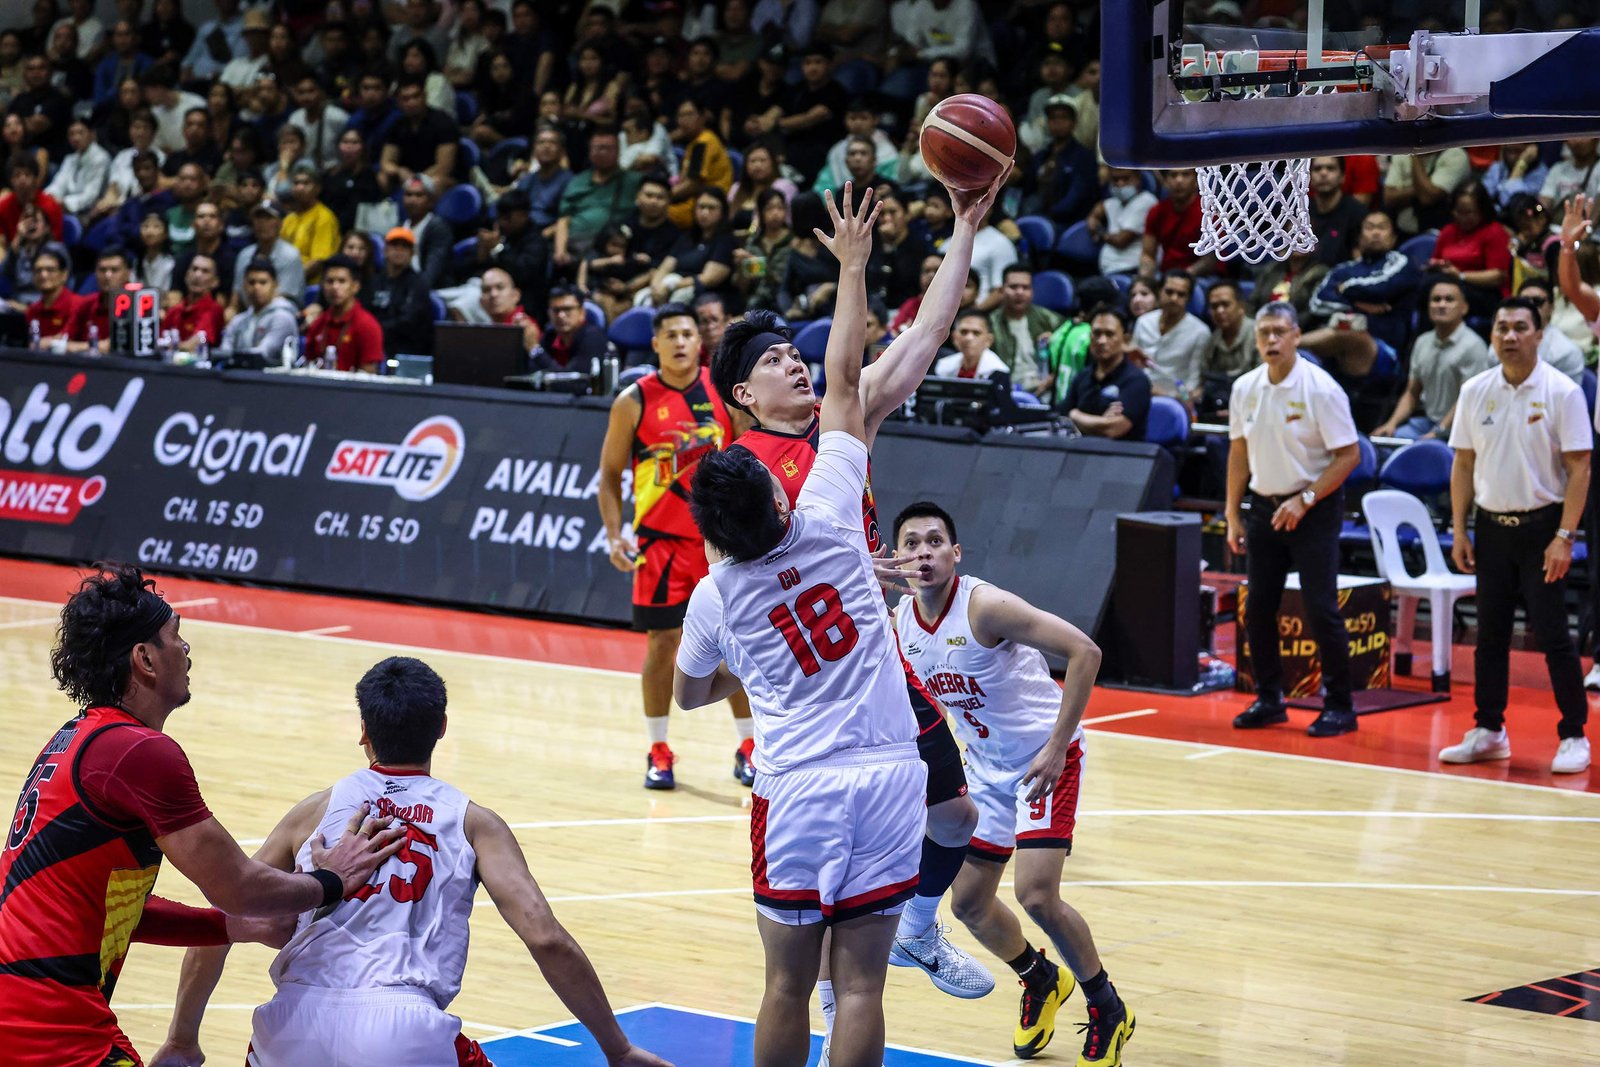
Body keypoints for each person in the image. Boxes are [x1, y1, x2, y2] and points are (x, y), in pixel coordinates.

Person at [711, 178, 1006, 1033]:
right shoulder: (742, 484)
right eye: (771, 361)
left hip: (875, 674)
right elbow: (743, 599)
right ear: (742, 399)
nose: (793, 363)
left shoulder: (844, 426)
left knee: (954, 813)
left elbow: (926, 334)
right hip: (807, 705)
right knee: (815, 926)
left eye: (793, 353)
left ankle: (912, 929)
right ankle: (844, 971)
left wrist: (962, 229)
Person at [675, 184, 925, 1067]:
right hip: (893, 771)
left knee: (786, 985)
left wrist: (742, 668)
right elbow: (850, 379)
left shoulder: (716, 594)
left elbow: (694, 690)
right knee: (861, 986)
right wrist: (853, 266)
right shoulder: (828, 520)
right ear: (781, 491)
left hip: (799, 785)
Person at [148, 657, 674, 1067]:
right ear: (442, 727)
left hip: (290, 1026)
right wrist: (617, 1048)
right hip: (405, 1029)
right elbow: (546, 939)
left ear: (363, 731)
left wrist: (182, 1038)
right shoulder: (474, 822)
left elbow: (220, 921)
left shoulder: (314, 811)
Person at [0, 565, 405, 1067]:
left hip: (25, 1007)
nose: (187, 652)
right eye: (177, 639)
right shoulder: (139, 752)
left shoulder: (80, 738)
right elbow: (237, 884)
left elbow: (111, 912)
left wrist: (239, 928)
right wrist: (331, 879)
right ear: (145, 658)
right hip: (47, 1018)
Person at [892, 501, 1134, 1065]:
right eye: (911, 543)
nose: (923, 552)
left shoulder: (985, 606)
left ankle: (1107, 1007)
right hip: (986, 768)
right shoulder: (901, 622)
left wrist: (1055, 745)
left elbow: (1085, 651)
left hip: (1045, 762)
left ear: (956, 553)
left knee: (1036, 896)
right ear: (896, 557)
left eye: (934, 542)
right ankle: (1042, 978)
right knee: (970, 905)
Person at [598, 302, 754, 789]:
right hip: (660, 544)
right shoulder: (633, 401)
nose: (682, 342)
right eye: (672, 335)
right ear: (656, 343)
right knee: (662, 645)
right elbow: (608, 476)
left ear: (698, 340)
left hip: (719, 544)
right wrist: (613, 532)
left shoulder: (723, 391)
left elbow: (752, 457)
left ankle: (750, 744)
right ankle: (659, 748)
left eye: (688, 333)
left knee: (736, 645)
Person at [1444, 296, 1591, 774]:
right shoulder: (1474, 390)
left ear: (1539, 335)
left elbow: (1580, 467)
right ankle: (1489, 730)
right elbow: (1463, 463)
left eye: (1520, 328)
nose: (1509, 336)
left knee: (1552, 638)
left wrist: (1565, 535)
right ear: (1492, 336)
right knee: (1490, 637)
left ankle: (1573, 734)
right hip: (1490, 529)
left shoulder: (1563, 391)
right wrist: (1460, 528)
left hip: (1542, 529)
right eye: (1501, 327)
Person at [1226, 302, 1361, 738]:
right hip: (1265, 505)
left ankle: (1340, 705)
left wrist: (1304, 499)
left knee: (1321, 607)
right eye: (1264, 332)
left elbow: (1349, 455)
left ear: (1297, 336)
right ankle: (1269, 698)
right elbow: (1239, 453)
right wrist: (1232, 511)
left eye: (1279, 332)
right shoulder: (1245, 387)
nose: (1271, 340)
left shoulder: (1321, 389)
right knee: (1258, 607)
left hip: (1314, 506)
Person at [1372, 277, 1492, 441]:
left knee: (1426, 452)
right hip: (1426, 422)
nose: (1441, 305)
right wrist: (1391, 424)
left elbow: (1468, 400)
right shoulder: (1422, 342)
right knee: (1389, 443)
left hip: (1461, 426)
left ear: (1464, 308)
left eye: (1449, 300)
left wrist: (1439, 431)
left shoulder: (1474, 347)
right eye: (1436, 299)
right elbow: (1412, 392)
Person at [1065, 306, 1150, 441]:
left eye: (1109, 334)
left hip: (1122, 457)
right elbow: (1062, 421)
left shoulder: (1137, 380)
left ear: (1126, 340)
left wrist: (1076, 416)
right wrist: (1101, 422)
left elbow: (1113, 429)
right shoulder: (1082, 377)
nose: (1101, 341)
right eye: (1097, 333)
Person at [1131, 270, 1209, 397]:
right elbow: (1132, 364)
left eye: (1181, 294)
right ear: (1160, 292)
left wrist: (1178, 397)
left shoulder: (1200, 332)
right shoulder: (1143, 322)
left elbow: (1194, 381)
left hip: (1173, 397)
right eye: (1169, 292)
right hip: (1137, 390)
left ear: (1188, 298)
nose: (1174, 298)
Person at [304, 254, 385, 372]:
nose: (335, 287)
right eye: (330, 281)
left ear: (355, 286)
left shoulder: (368, 326)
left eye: (342, 281)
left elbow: (369, 377)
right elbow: (308, 366)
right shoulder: (318, 324)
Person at [988, 265, 1061, 392]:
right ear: (1001, 290)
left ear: (1032, 291)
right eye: (1013, 287)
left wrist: (1057, 340)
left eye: (1025, 287)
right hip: (1003, 390)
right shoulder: (990, 323)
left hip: (1044, 389)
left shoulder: (1050, 319)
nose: (1019, 292)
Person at [367, 225, 436, 358]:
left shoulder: (418, 284)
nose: (399, 251)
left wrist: (373, 329)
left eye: (404, 247)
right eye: (394, 245)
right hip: (375, 343)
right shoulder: (374, 281)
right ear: (385, 250)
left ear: (412, 253)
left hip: (406, 350)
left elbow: (408, 323)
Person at [221, 256, 300, 363]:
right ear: (244, 285)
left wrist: (232, 357)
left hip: (272, 378)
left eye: (263, 282)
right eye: (251, 282)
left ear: (275, 285)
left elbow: (262, 354)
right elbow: (223, 353)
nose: (256, 288)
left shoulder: (283, 318)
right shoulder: (238, 320)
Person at [231, 201, 305, 309]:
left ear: (280, 223)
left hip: (280, 310)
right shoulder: (244, 255)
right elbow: (236, 294)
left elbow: (283, 296)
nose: (262, 223)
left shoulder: (290, 255)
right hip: (250, 313)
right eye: (258, 218)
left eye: (268, 218)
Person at [1087, 167, 1156, 277]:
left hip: (1131, 271)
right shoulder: (1113, 202)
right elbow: (1094, 215)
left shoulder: (1146, 201)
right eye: (1115, 179)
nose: (1120, 183)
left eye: (1126, 179)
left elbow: (1121, 241)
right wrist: (1094, 224)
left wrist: (1099, 234)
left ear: (1137, 178)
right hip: (1109, 271)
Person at [281, 160, 341, 281]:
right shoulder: (289, 219)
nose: (300, 187)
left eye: (306, 183)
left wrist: (290, 281)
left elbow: (318, 261)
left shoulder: (324, 217)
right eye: (296, 183)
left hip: (312, 285)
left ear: (317, 188)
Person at [1306, 157, 1369, 268]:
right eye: (1317, 169)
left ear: (1342, 177)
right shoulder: (1301, 211)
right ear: (1309, 177)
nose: (1323, 173)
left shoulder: (1357, 213)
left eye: (1330, 168)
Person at [159, 251, 225, 352]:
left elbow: (199, 342)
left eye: (205, 271)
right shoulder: (174, 311)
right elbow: (159, 341)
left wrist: (170, 347)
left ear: (215, 282)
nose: (197, 275)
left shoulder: (214, 310)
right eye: (194, 269)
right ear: (186, 276)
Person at [533, 283, 606, 371]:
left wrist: (535, 350)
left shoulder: (593, 337)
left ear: (582, 312)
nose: (561, 315)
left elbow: (573, 382)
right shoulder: (548, 336)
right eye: (556, 310)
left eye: (567, 309)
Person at [934, 309, 1011, 381]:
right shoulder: (943, 366)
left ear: (989, 340)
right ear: (954, 337)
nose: (969, 338)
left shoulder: (998, 372)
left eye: (976, 333)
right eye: (964, 332)